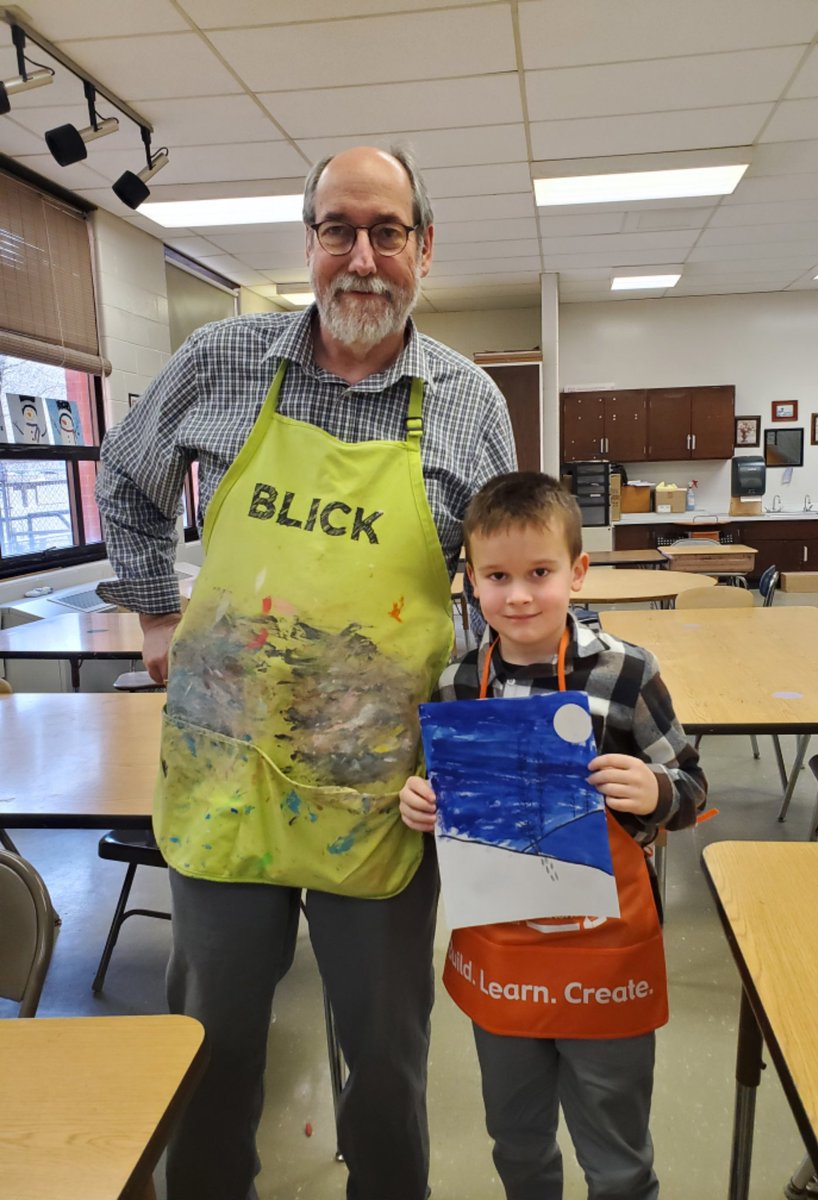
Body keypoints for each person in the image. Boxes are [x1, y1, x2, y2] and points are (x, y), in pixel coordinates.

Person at [95, 145, 516, 1200]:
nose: (361, 258)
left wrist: (507, 741)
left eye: (387, 232)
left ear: (425, 247)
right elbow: (127, 477)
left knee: (386, 1062)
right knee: (210, 1051)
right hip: (222, 784)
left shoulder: (468, 402)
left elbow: (503, 585)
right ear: (312, 242)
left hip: (383, 802)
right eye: (339, 230)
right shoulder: (220, 360)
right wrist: (155, 609)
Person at [399, 471, 707, 1200]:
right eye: (497, 577)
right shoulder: (456, 685)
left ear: (578, 571)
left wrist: (656, 789)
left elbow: (692, 789)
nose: (519, 596)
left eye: (540, 573)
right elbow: (447, 804)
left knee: (617, 1152)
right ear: (470, 582)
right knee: (516, 1138)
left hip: (606, 957)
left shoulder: (625, 673)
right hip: (502, 955)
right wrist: (422, 803)